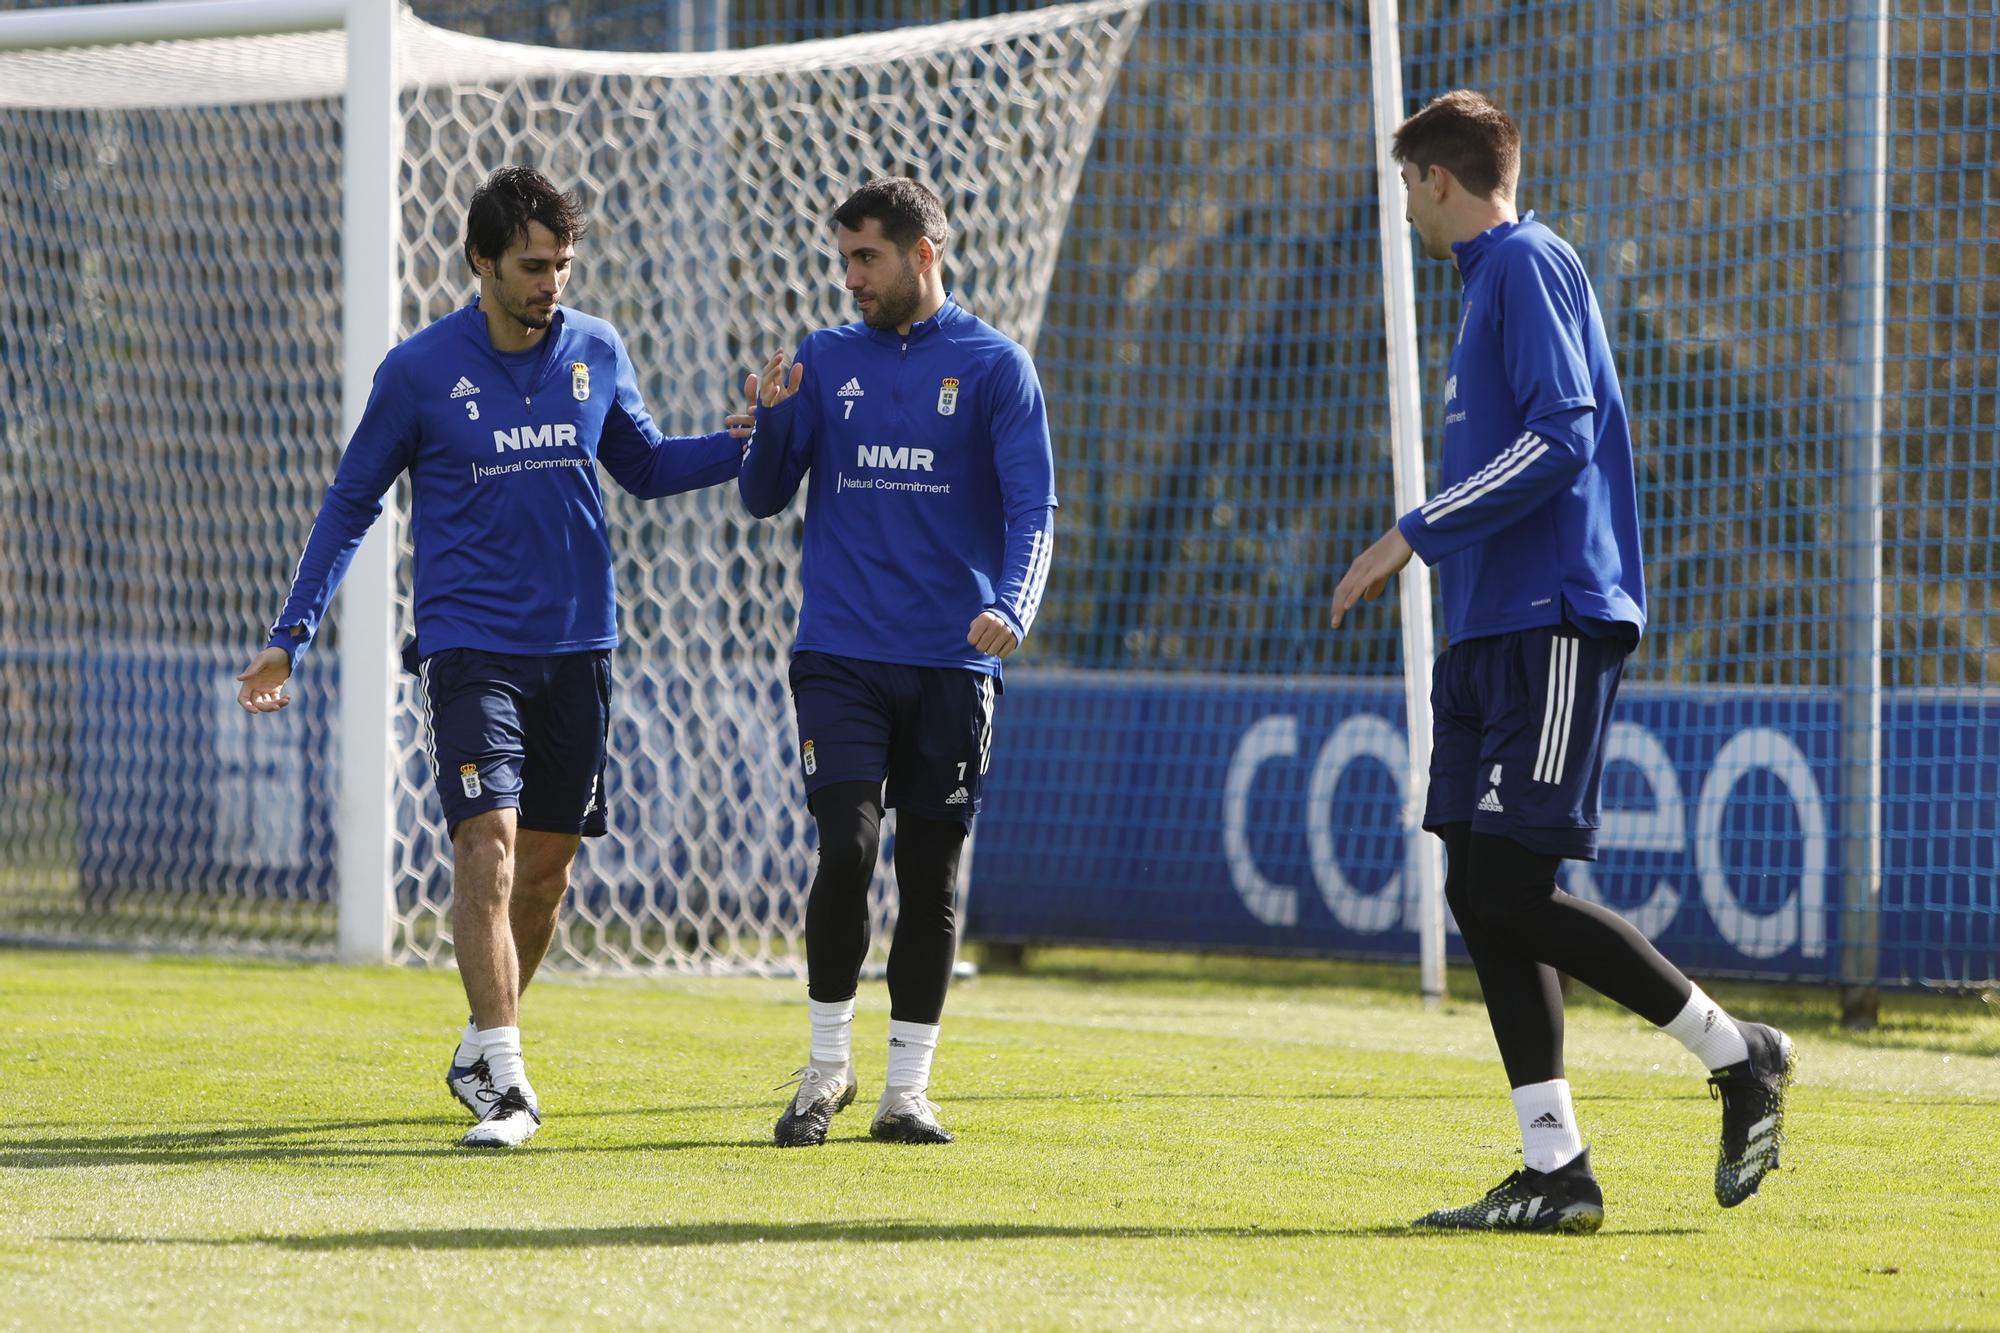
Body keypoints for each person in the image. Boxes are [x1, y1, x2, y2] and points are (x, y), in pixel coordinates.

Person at [1329, 91, 1796, 1231]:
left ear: (1436, 179)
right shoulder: (1477, 287)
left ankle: (1738, 1053)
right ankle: (1555, 1168)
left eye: (1403, 185)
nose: (1399, 209)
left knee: (1509, 887)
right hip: (1484, 631)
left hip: (1549, 619)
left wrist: (1411, 531)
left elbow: (1563, 429)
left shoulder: (1528, 259)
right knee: (1474, 891)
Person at [236, 167, 753, 1150]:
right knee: (488, 842)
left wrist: (749, 439)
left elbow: (643, 466)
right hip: (469, 646)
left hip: (582, 647)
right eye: (530, 265)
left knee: (548, 871)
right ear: (481, 261)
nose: (549, 281)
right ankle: (510, 1083)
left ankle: (482, 1043)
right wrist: (288, 635)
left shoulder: (597, 348)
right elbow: (351, 504)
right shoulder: (420, 369)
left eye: (561, 264)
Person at [737, 177, 1055, 1147]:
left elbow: (1032, 510)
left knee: (931, 871)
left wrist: (1010, 606)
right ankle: (825, 1065)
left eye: (865, 258)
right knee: (846, 845)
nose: (850, 279)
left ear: (924, 251)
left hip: (952, 664)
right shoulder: (823, 359)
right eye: (842, 260)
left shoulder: (995, 367)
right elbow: (761, 496)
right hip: (837, 650)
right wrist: (770, 421)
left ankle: (905, 1089)